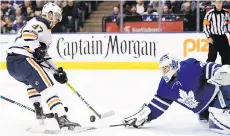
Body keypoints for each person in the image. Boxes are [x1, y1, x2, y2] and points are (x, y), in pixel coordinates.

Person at [6, 2, 80, 131]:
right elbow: (31, 40)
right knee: (48, 86)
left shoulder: (35, 22)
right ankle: (62, 117)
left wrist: (56, 70)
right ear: (49, 14)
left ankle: (38, 110)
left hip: (12, 65)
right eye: (57, 16)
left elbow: (42, 55)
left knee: (33, 83)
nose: (58, 19)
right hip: (23, 59)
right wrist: (35, 49)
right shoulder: (42, 24)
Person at [123, 53, 230, 135]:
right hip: (205, 112)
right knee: (218, 126)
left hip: (219, 96)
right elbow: (157, 106)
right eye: (162, 69)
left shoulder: (189, 66)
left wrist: (220, 70)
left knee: (225, 127)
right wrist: (144, 116)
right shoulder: (165, 86)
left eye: (166, 68)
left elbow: (209, 68)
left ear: (173, 65)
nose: (164, 71)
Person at [203, 0, 230, 65]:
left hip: (223, 37)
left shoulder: (226, 13)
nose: (218, 4)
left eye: (220, 2)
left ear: (222, 3)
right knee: (212, 56)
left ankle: (226, 71)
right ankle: (208, 71)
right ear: (215, 3)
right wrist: (208, 37)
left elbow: (228, 24)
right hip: (213, 37)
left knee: (227, 56)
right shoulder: (210, 13)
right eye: (217, 2)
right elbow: (205, 26)